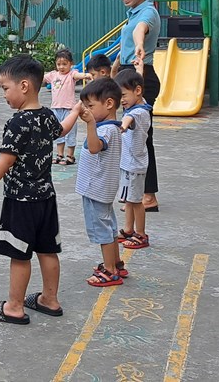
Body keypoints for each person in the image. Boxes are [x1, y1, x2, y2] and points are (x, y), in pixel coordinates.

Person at [0, 55, 65, 325]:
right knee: (47, 250)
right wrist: (77, 112)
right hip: (46, 198)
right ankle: (50, 299)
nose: (3, 94)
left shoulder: (17, 123)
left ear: (24, 86)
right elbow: (61, 131)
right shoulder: (47, 115)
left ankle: (14, 307)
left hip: (20, 200)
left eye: (6, 88)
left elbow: (5, 162)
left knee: (19, 254)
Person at [111, 0, 162, 212]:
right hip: (128, 74)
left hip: (141, 76)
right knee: (133, 138)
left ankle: (148, 195)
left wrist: (139, 45)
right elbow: (129, 39)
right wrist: (117, 64)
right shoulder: (133, 13)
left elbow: (139, 31)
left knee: (141, 139)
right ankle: (136, 192)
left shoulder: (147, 12)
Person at [71, 77, 126, 287]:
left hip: (96, 188)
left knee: (102, 229)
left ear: (109, 103)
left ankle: (110, 271)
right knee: (109, 227)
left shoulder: (106, 130)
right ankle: (116, 263)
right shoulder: (111, 127)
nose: (87, 110)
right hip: (103, 187)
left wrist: (90, 124)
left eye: (91, 106)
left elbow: (94, 148)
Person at [116, 66, 152, 250]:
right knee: (129, 200)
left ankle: (141, 234)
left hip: (135, 165)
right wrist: (139, 67)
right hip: (128, 163)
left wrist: (120, 127)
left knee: (136, 201)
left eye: (123, 95)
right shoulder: (138, 104)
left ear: (137, 91)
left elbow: (128, 120)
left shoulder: (138, 112)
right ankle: (129, 229)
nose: (121, 100)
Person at [43, 49, 92, 166]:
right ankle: (60, 155)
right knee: (57, 132)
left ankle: (70, 156)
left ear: (71, 64)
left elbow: (78, 75)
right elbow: (40, 77)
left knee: (70, 133)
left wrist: (86, 75)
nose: (61, 67)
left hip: (70, 110)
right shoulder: (53, 75)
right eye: (58, 64)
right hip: (56, 109)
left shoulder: (71, 74)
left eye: (64, 64)